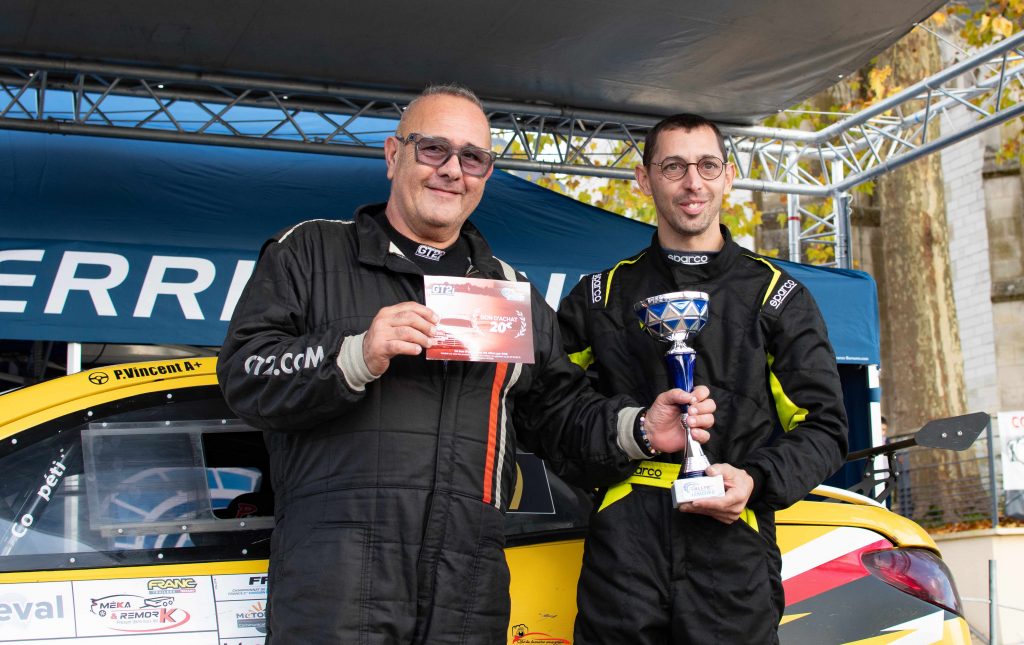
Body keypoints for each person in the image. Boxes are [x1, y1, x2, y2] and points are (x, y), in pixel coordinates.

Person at [216, 85, 716, 645]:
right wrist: (357, 353)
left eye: (473, 157)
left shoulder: (509, 291)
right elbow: (245, 375)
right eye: (434, 149)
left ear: (486, 173)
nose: (453, 170)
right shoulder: (309, 251)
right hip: (334, 590)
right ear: (393, 154)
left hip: (466, 593)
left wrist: (641, 429)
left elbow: (559, 413)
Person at [557, 113, 849, 644]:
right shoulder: (600, 296)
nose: (693, 182)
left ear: (728, 176)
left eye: (707, 166)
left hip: (733, 543)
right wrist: (634, 431)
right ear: (644, 180)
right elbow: (547, 410)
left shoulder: (776, 296)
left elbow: (825, 428)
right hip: (624, 548)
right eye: (673, 167)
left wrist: (755, 480)